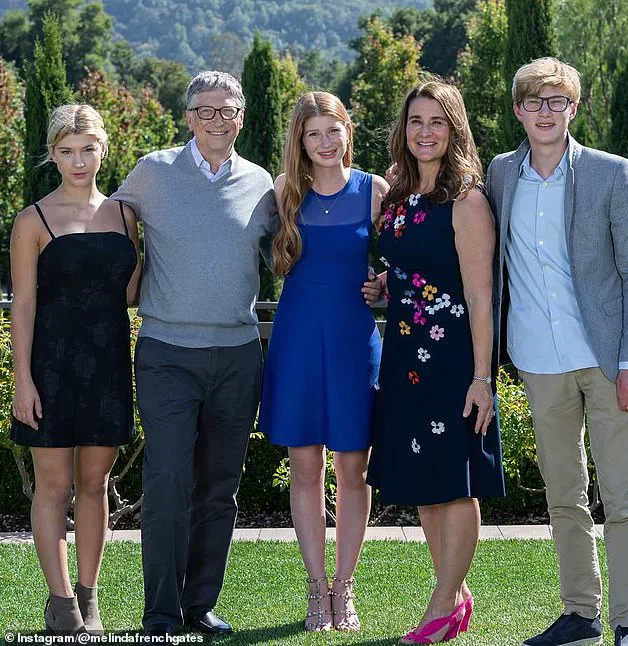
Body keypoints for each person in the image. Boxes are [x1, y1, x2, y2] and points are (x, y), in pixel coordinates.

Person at [112, 72, 383, 635]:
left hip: (240, 351)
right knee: (167, 480)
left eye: (227, 110)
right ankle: (161, 614)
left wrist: (384, 281)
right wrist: (115, 274)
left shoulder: (264, 185)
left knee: (221, 486)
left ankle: (200, 606)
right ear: (188, 116)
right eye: (205, 110)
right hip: (169, 350)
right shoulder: (155, 172)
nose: (216, 120)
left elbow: (386, 250)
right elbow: (106, 217)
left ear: (242, 117)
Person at [487, 57, 628, 646]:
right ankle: (580, 615)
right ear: (518, 110)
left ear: (573, 108)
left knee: (623, 496)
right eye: (534, 102)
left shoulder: (611, 172)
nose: (545, 112)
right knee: (563, 496)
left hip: (607, 361)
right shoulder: (500, 174)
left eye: (557, 101)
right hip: (538, 361)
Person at [366, 77, 505, 644]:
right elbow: (410, 268)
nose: (425, 132)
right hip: (403, 359)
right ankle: (454, 593)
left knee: (455, 480)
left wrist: (482, 378)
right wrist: (386, 286)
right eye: (416, 121)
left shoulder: (466, 201)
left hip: (451, 362)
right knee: (424, 483)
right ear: (404, 129)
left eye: (437, 122)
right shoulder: (398, 193)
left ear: (454, 129)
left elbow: (480, 295)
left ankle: (443, 604)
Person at [258, 91, 388, 632]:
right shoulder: (285, 191)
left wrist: (384, 283)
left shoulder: (375, 190)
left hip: (354, 342)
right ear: (301, 141)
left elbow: (404, 262)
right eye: (313, 133)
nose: (325, 141)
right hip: (298, 342)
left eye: (333, 130)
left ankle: (345, 587)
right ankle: (316, 589)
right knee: (305, 468)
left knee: (354, 469)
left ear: (347, 131)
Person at [10, 104, 141, 635]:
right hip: (50, 368)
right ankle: (61, 604)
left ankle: (89, 598)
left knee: (94, 483)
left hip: (108, 365)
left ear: (103, 149)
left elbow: (130, 292)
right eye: (67, 151)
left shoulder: (125, 216)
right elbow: (23, 305)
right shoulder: (32, 220)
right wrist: (22, 381)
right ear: (53, 155)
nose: (79, 160)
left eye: (87, 149)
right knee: (53, 486)